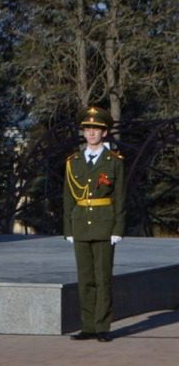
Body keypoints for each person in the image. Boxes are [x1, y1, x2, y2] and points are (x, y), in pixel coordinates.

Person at [63, 106, 125, 343]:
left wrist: (118, 228)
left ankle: (102, 327)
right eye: (88, 129)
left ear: (105, 133)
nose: (91, 133)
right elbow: (68, 197)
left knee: (103, 278)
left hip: (104, 224)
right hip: (81, 225)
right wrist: (68, 228)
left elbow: (119, 196)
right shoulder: (74, 161)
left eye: (96, 129)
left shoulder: (114, 161)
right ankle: (87, 326)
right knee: (85, 278)